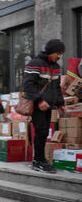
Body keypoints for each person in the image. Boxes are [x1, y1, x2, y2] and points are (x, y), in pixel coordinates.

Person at [24, 39, 66, 173]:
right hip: (38, 106)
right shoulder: (35, 63)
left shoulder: (56, 66)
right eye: (58, 53)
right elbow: (28, 85)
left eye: (61, 54)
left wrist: (60, 103)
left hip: (49, 105)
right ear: (51, 51)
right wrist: (39, 101)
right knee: (41, 132)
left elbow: (56, 88)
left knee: (44, 132)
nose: (59, 56)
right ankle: (38, 161)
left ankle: (40, 160)